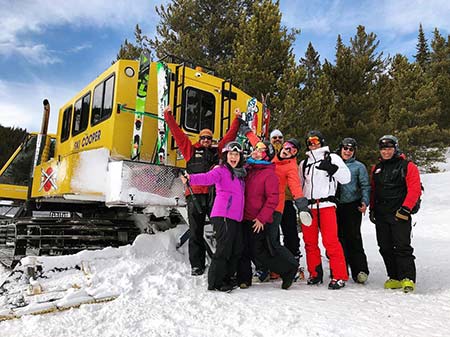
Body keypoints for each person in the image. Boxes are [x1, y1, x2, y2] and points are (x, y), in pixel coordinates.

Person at [164, 105, 241, 276]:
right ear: (200, 138)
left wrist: (236, 119)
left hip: (214, 196)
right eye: (204, 137)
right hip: (195, 196)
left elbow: (230, 136)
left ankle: (221, 261)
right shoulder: (190, 150)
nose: (206, 140)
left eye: (209, 138)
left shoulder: (218, 152)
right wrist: (168, 116)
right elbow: (177, 133)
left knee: (220, 229)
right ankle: (197, 265)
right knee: (195, 231)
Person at [181, 141, 246, 291]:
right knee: (223, 249)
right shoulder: (221, 170)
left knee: (236, 249)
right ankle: (216, 282)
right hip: (223, 214)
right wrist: (191, 178)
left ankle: (227, 278)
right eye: (231, 154)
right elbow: (207, 178)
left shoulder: (240, 175)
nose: (234, 157)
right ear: (226, 156)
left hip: (236, 217)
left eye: (236, 154)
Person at [237, 141, 298, 290]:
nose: (256, 152)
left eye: (261, 151)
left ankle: (289, 269)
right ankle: (244, 279)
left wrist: (261, 218)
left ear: (266, 156)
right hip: (244, 217)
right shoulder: (249, 169)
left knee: (261, 252)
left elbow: (273, 199)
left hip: (258, 219)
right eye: (256, 149)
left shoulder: (269, 173)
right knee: (245, 248)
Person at [298, 130, 351, 289]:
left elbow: (346, 178)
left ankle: (339, 275)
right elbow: (300, 186)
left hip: (327, 205)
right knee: (309, 242)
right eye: (309, 142)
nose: (313, 144)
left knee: (331, 241)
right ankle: (315, 273)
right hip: (309, 206)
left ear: (321, 141)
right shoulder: (304, 163)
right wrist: (301, 205)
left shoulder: (332, 158)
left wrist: (332, 168)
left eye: (315, 141)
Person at [369, 135, 422, 293]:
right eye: (383, 148)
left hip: (400, 213)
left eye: (389, 148)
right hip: (381, 213)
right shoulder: (377, 168)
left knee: (402, 246)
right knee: (384, 246)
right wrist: (372, 208)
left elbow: (414, 188)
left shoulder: (407, 166)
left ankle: (408, 278)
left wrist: (406, 208)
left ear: (396, 148)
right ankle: (394, 276)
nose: (386, 151)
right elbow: (373, 190)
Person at [336, 137, 370, 284]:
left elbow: (365, 186)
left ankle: (360, 270)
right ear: (341, 149)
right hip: (336, 205)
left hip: (352, 205)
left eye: (351, 149)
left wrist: (365, 201)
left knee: (354, 237)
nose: (347, 151)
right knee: (338, 238)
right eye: (345, 148)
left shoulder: (358, 166)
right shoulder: (334, 163)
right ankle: (340, 269)